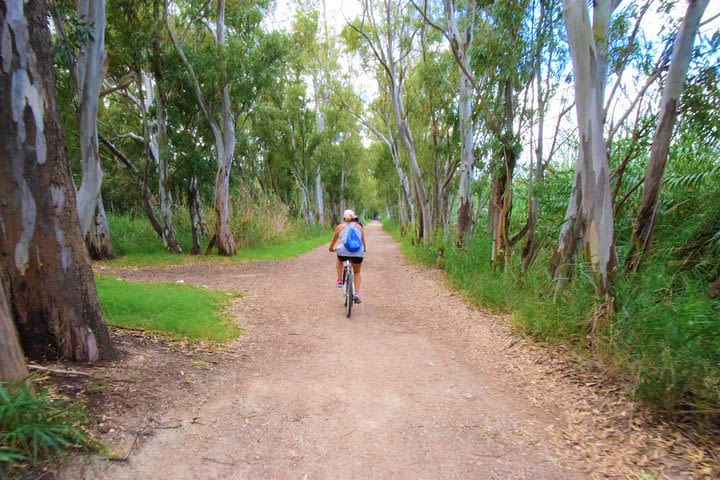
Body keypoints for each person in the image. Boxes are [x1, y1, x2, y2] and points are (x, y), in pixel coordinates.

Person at [329, 209, 366, 303]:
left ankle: (339, 280)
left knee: (339, 258)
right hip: (358, 253)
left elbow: (334, 241)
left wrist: (331, 248)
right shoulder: (359, 227)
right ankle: (356, 294)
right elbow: (362, 241)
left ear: (344, 218)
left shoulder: (340, 227)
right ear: (354, 217)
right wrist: (364, 249)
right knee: (357, 272)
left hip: (343, 252)